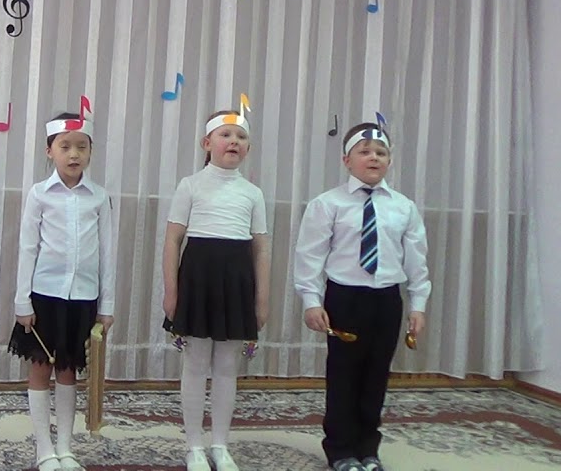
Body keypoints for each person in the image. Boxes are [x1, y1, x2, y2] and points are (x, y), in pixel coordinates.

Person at [293, 122, 430, 471]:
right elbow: (310, 256)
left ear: (389, 161)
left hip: (386, 299)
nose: (374, 158)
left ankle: (368, 448)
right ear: (346, 160)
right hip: (345, 299)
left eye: (381, 153)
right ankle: (340, 450)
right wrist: (311, 300)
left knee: (376, 375)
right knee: (344, 374)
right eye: (364, 151)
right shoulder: (328, 204)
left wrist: (418, 305)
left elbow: (416, 260)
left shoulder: (403, 207)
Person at [162, 106, 271, 471]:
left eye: (241, 137)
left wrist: (262, 298)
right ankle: (194, 445)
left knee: (226, 365)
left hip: (236, 281)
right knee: (195, 363)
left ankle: (220, 445)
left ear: (248, 148)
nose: (233, 141)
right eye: (225, 135)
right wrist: (171, 291)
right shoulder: (190, 185)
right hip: (198, 279)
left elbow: (261, 248)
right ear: (206, 143)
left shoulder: (252, 193)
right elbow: (173, 240)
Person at [8, 109, 116, 471]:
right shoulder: (39, 194)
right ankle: (44, 449)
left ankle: (66, 448)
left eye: (82, 147)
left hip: (82, 297)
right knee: (41, 369)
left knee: (68, 372)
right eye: (65, 146)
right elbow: (28, 248)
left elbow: (107, 252)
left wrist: (107, 304)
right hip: (44, 296)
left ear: (91, 152)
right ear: (49, 150)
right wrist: (22, 300)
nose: (74, 154)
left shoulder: (98, 197)